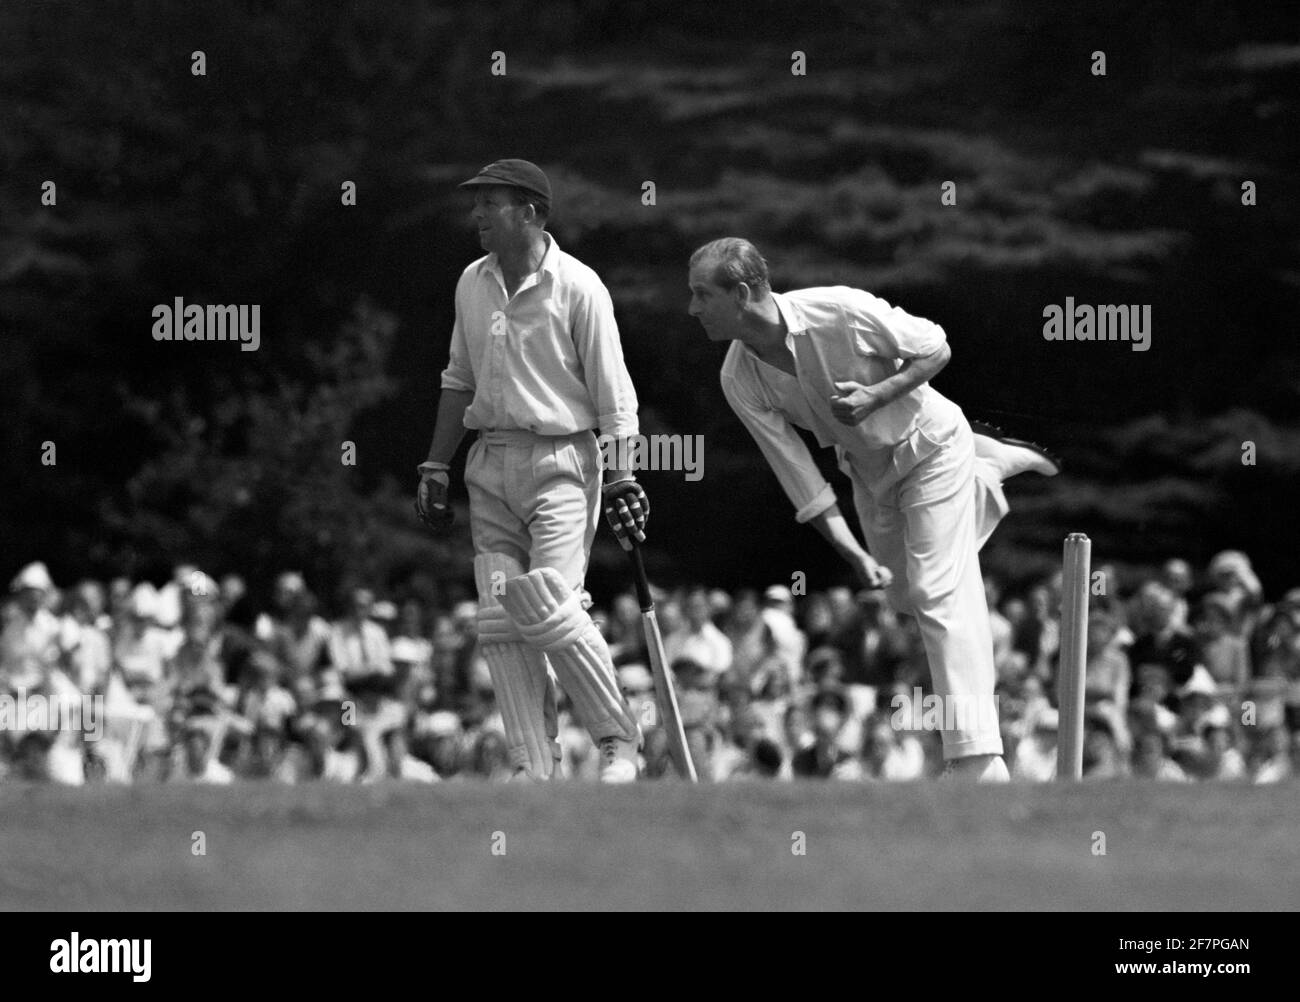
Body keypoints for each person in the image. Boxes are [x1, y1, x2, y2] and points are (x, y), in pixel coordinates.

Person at [688, 237, 1058, 781]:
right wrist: (853, 553)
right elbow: (800, 477)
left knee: (939, 590)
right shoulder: (737, 377)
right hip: (868, 473)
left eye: (701, 295)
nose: (692, 308)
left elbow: (936, 348)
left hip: (930, 446)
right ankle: (987, 468)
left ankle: (979, 757)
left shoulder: (838, 310)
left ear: (742, 293)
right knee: (905, 597)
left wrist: (877, 395)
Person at [415, 159, 648, 782]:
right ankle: (533, 761)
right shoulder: (472, 281)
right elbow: (458, 379)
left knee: (551, 604)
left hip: (564, 458)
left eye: (488, 204)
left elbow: (615, 400)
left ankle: (618, 740)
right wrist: (436, 463)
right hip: (489, 457)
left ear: (531, 213)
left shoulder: (578, 286)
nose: (476, 217)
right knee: (498, 614)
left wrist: (623, 477)